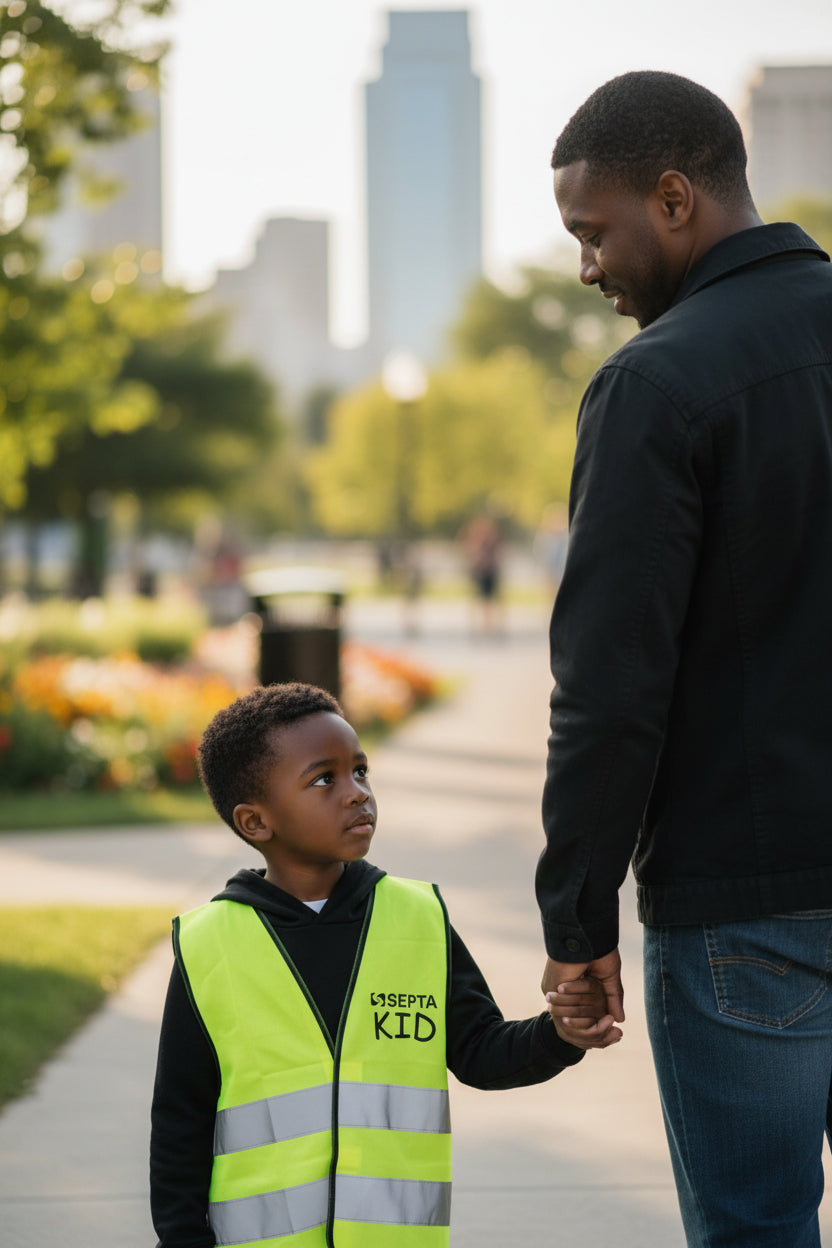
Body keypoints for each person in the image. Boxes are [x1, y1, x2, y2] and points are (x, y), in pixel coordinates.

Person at [535, 70, 832, 1247]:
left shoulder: (654, 384)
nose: (586, 268)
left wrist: (575, 921)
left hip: (743, 910)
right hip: (748, 900)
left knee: (755, 1229)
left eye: (589, 231)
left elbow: (608, 692)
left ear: (671, 200)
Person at [151, 682, 618, 1248]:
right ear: (256, 822)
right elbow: (181, 1121)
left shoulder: (418, 919)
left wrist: (560, 1034)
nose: (355, 794)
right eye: (324, 778)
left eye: (361, 772)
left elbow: (480, 1053)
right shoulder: (210, 945)